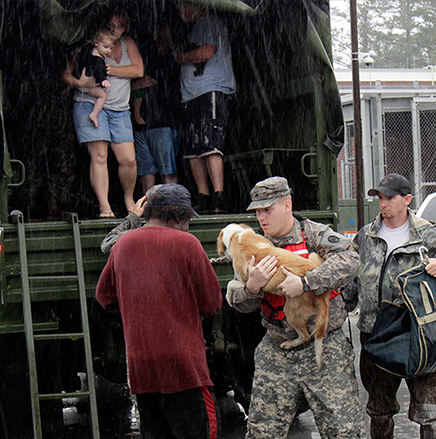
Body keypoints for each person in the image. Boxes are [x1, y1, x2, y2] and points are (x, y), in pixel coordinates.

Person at [226, 176, 365, 438]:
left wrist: (305, 282)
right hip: (277, 349)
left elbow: (350, 260)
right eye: (257, 211)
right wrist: (252, 287)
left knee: (344, 431)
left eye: (268, 209)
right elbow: (240, 305)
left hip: (324, 349)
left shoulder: (314, 234)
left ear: (287, 205)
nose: (261, 217)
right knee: (262, 432)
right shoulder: (253, 245)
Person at [346, 173, 436, 439]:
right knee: (378, 410)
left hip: (420, 334)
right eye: (379, 197)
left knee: (429, 413)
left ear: (407, 199)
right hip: (376, 335)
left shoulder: (425, 234)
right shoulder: (366, 236)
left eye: (389, 197)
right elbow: (350, 281)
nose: (383, 203)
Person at [95, 183, 222, 438]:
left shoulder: (122, 245)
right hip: (184, 369)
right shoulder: (188, 244)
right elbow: (212, 305)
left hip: (143, 371)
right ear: (179, 216)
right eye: (188, 219)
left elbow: (104, 298)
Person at [62, 11, 143, 217]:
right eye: (113, 27)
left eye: (121, 27)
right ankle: (104, 206)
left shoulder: (127, 43)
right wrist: (80, 83)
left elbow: (138, 70)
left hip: (119, 108)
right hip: (89, 104)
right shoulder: (88, 46)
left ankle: (128, 198)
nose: (116, 32)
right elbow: (65, 74)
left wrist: (107, 71)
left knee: (129, 160)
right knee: (100, 155)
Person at [174, 1, 236, 214]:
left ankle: (219, 196)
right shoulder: (193, 27)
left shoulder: (208, 21)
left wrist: (181, 57)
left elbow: (207, 51)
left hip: (210, 89)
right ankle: (203, 196)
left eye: (183, 6)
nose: (180, 11)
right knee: (193, 147)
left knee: (210, 143)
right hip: (191, 94)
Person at [132, 23, 182, 194]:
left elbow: (148, 80)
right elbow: (141, 81)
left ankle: (173, 204)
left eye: (164, 37)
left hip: (164, 121)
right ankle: (150, 207)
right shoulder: (148, 56)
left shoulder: (172, 61)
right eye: (159, 37)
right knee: (145, 170)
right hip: (141, 123)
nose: (161, 40)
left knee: (167, 168)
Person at [72, 29, 114, 129]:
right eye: (106, 47)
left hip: (85, 82)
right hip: (88, 85)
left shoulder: (90, 52)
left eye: (111, 48)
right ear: (96, 43)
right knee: (103, 95)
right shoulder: (97, 59)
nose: (108, 50)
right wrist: (103, 80)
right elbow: (98, 71)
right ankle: (94, 114)